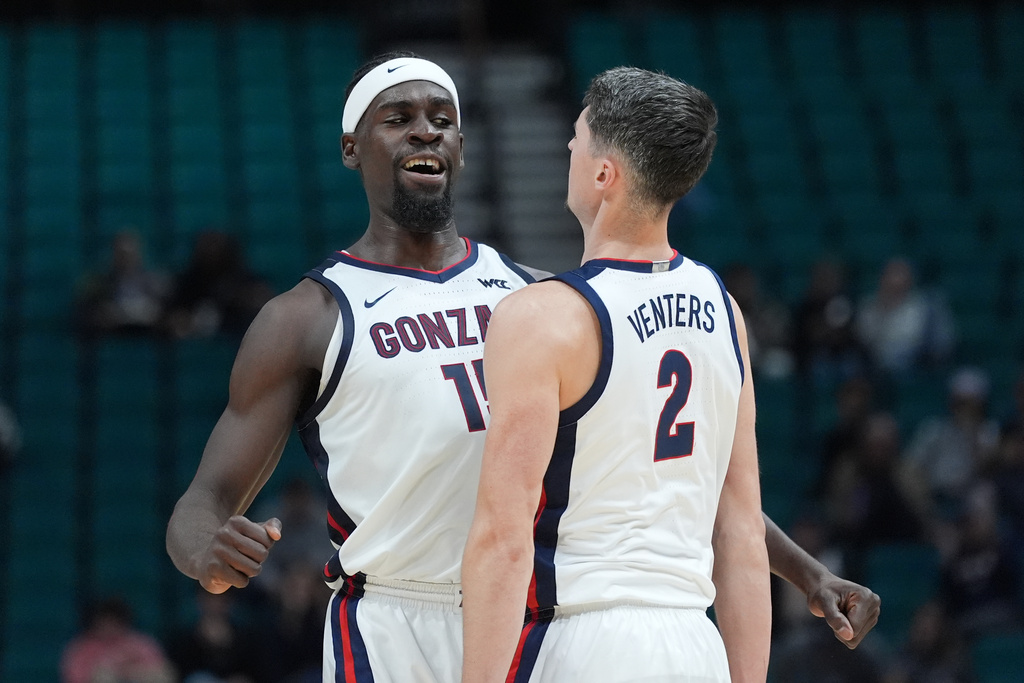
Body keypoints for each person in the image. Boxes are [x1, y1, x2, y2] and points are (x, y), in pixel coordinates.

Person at [167, 53, 879, 683]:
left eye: (442, 118)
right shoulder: (306, 317)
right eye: (400, 117)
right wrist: (205, 549)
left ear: (462, 147)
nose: (426, 130)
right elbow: (203, 500)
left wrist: (803, 570)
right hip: (394, 622)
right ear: (352, 147)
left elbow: (654, 469)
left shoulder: (543, 300)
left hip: (528, 617)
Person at [460, 66, 766, 683]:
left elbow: (504, 536)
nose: (568, 148)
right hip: (694, 642)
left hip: (585, 639)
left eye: (578, 136)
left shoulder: (544, 317)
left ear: (605, 174)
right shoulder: (724, 310)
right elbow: (742, 535)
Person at [163, 229, 274, 338]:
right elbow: (171, 315)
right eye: (207, 247)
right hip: (195, 346)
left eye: (216, 246)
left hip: (236, 339)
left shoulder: (244, 281)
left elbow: (266, 304)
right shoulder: (187, 283)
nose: (211, 252)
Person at [75, 228, 170, 336]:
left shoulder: (155, 282)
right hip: (111, 336)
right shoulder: (98, 283)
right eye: (121, 254)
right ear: (113, 254)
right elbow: (87, 314)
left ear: (138, 254)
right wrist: (104, 314)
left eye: (130, 254)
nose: (126, 258)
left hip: (147, 334)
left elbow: (165, 311)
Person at [60, 596, 175, 683]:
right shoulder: (82, 647)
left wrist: (126, 673)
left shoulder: (140, 643)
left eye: (113, 623)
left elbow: (164, 676)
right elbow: (74, 677)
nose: (108, 627)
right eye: (104, 623)